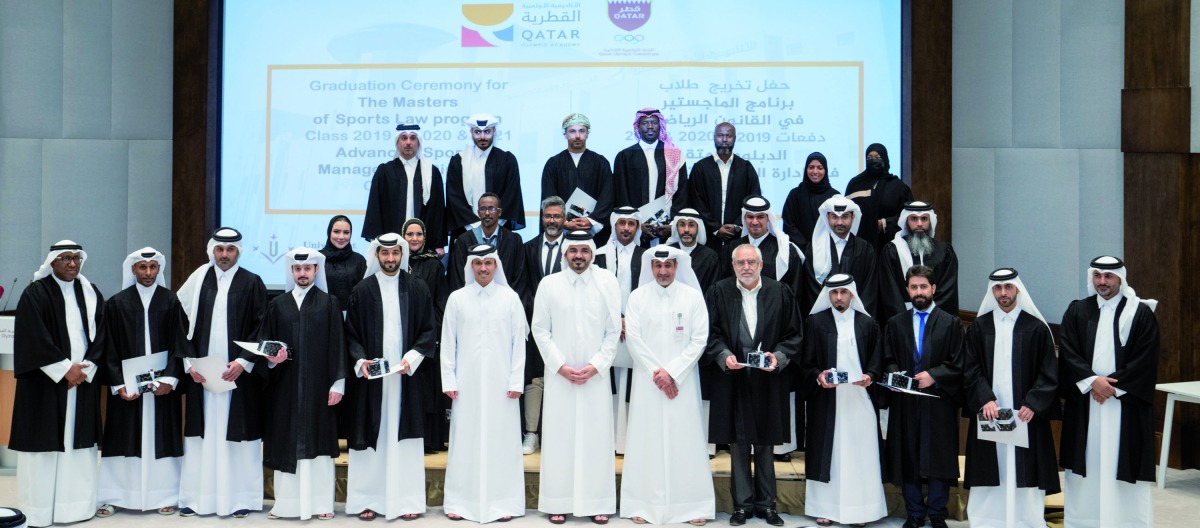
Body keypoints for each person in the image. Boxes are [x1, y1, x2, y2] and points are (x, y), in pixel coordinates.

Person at [703, 244, 802, 527]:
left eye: (751, 262)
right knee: (738, 443)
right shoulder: (719, 291)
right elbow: (711, 332)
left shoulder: (780, 292)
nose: (746, 267)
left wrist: (778, 357)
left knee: (765, 444)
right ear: (733, 265)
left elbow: (794, 334)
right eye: (740, 263)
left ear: (761, 265)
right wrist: (724, 355)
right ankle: (742, 506)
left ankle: (767, 505)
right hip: (733, 378)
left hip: (768, 379)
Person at [343, 234, 439, 521]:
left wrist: (412, 358)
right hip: (371, 381)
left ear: (402, 254)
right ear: (377, 255)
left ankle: (407, 500)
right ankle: (368, 500)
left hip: (406, 379)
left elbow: (428, 329)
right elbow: (351, 334)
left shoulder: (417, 287)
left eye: (395, 253)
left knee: (404, 439)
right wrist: (360, 360)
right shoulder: (362, 290)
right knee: (372, 436)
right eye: (385, 253)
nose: (390, 258)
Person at [1059, 256, 1159, 527]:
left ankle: (1126, 522)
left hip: (1124, 404)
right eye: (1097, 276)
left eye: (1108, 276)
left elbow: (1145, 358)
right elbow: (1068, 350)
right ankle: (1085, 522)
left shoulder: (1140, 313)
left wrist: (1110, 387)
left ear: (1120, 278)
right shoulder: (1078, 310)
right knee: (1087, 464)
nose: (1102, 281)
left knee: (1122, 463)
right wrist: (1092, 381)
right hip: (1086, 402)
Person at [10, 241, 105, 527]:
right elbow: (33, 337)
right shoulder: (35, 293)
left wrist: (85, 370)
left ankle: (75, 509)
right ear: (52, 262)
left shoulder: (90, 292)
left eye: (76, 258)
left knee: (78, 446)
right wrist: (64, 370)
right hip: (45, 384)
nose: (72, 263)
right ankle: (38, 511)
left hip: (83, 382)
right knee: (43, 447)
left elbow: (103, 335)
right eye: (65, 258)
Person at [175, 227, 268, 518]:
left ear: (238, 251)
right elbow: (181, 324)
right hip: (202, 376)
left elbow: (261, 326)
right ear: (212, 250)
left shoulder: (252, 282)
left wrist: (243, 362)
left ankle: (240, 499)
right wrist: (190, 365)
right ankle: (196, 498)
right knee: (202, 436)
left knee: (238, 437)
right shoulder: (197, 281)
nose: (224, 255)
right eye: (220, 249)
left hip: (238, 377)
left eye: (230, 250)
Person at [531, 231, 622, 524]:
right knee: (559, 438)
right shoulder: (549, 284)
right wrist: (560, 366)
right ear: (565, 254)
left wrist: (597, 365)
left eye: (584, 250)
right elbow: (540, 330)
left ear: (592, 253)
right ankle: (557, 501)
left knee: (596, 439)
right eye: (573, 251)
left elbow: (613, 330)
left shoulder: (607, 282)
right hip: (560, 377)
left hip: (595, 377)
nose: (579, 256)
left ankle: (598, 502)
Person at [621, 246, 715, 525]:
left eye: (668, 265)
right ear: (651, 267)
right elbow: (634, 340)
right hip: (648, 382)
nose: (663, 271)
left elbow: (700, 339)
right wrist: (658, 374)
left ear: (677, 266)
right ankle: (643, 504)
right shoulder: (637, 298)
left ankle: (692, 507)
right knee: (646, 441)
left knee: (685, 441)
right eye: (658, 266)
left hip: (682, 382)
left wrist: (672, 373)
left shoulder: (692, 297)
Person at [962, 268, 1060, 528]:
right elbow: (970, 368)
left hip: (1025, 416)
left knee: (1024, 469)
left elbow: (1048, 372)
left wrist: (1033, 403)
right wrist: (985, 398)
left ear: (1017, 289)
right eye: (997, 288)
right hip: (990, 413)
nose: (1003, 293)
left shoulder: (1036, 328)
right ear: (992, 291)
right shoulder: (979, 327)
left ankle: (1025, 521)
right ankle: (987, 522)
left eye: (1007, 287)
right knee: (989, 467)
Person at [257, 247, 346, 520]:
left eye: (307, 268)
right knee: (286, 442)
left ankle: (321, 504)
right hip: (285, 388)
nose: (302, 273)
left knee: (319, 444)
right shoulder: (278, 305)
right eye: (297, 269)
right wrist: (272, 359)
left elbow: (338, 345)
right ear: (292, 271)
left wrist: (338, 384)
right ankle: (286, 504)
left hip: (320, 388)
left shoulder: (329, 303)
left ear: (316, 270)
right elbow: (265, 344)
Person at [97, 248, 186, 517]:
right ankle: (115, 496)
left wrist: (169, 379)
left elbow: (180, 343)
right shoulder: (117, 303)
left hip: (162, 389)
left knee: (163, 438)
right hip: (128, 389)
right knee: (124, 438)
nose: (148, 272)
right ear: (133, 269)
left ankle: (166, 496)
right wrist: (118, 384)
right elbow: (108, 347)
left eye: (153, 267)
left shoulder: (171, 301)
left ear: (159, 269)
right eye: (142, 267)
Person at [441, 245, 528, 523]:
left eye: (488, 263)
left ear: (496, 265)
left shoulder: (510, 298)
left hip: (503, 386)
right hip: (465, 385)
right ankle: (459, 502)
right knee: (464, 442)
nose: (483, 268)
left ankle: (504, 503)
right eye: (478, 263)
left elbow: (519, 345)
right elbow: (448, 343)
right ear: (470, 266)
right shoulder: (457, 299)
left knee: (502, 443)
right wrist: (448, 379)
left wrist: (516, 380)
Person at [881, 265, 964, 528]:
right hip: (906, 402)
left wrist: (935, 376)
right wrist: (895, 376)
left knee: (939, 456)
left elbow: (959, 362)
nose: (919, 291)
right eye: (914, 287)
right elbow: (888, 358)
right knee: (908, 456)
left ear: (933, 289)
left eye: (923, 286)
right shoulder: (896, 323)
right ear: (907, 290)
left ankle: (937, 513)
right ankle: (915, 513)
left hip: (939, 402)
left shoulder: (950, 323)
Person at [801, 274, 886, 527]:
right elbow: (805, 363)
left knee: (860, 454)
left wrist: (870, 376)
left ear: (852, 294)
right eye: (834, 293)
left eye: (843, 292)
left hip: (859, 399)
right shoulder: (815, 322)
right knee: (829, 453)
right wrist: (818, 376)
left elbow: (877, 361)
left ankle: (860, 510)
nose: (838, 297)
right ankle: (825, 508)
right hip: (826, 399)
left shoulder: (867, 323)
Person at [729, 196, 805, 460]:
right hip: (742, 332)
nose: (754, 222)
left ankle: (780, 448)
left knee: (775, 394)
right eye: (750, 217)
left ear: (768, 219)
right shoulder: (734, 247)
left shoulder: (785, 249)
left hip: (777, 332)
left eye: (760, 217)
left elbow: (795, 292)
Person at [519, 196, 570, 455]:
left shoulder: (575, 249)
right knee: (534, 377)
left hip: (565, 326)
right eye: (548, 216)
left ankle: (559, 434)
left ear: (564, 219)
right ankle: (531, 433)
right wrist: (535, 314)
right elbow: (523, 285)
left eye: (557, 216)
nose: (552, 220)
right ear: (542, 218)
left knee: (562, 376)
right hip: (534, 325)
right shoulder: (527, 247)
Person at [593, 206, 645, 454]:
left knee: (632, 383)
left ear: (637, 227)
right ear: (614, 226)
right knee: (607, 382)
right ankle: (608, 440)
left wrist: (628, 320)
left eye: (631, 224)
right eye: (621, 223)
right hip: (604, 328)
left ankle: (629, 441)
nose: (626, 228)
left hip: (636, 328)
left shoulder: (646, 256)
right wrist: (615, 319)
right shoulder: (599, 255)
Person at [403, 218, 451, 453]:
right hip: (401, 335)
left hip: (427, 336)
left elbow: (440, 303)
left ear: (425, 237)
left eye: (418, 234)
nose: (414, 239)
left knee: (427, 389)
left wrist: (435, 332)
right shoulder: (395, 262)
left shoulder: (434, 265)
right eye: (409, 234)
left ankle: (428, 440)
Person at [362, 123, 448, 248]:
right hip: (391, 241)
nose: (408, 142)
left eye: (413, 138)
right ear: (397, 142)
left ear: (418, 142)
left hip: (424, 242)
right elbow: (375, 206)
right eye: (404, 138)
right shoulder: (385, 171)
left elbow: (438, 210)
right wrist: (376, 239)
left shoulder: (431, 172)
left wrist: (438, 244)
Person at [612, 108, 689, 244]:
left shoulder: (674, 155)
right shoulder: (625, 156)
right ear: (637, 127)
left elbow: (682, 192)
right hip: (634, 228)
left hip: (667, 227)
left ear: (660, 126)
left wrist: (673, 224)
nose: (650, 126)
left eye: (654, 122)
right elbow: (621, 194)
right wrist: (634, 223)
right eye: (644, 123)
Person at [877, 201, 959, 324]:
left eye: (924, 219)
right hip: (902, 321)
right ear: (906, 221)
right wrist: (904, 321)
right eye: (914, 219)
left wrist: (930, 316)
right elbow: (890, 293)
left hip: (936, 320)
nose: (919, 224)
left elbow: (948, 291)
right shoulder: (892, 251)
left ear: (930, 221)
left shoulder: (944, 251)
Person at [687, 122, 762, 255]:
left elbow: (754, 199)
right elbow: (696, 201)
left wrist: (737, 225)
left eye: (729, 136)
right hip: (707, 237)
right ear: (714, 137)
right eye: (720, 135)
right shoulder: (701, 168)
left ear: (735, 138)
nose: (725, 139)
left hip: (738, 237)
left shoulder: (745, 167)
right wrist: (715, 228)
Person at [445, 114, 525, 235]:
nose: (482, 137)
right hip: (466, 230)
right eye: (477, 132)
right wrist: (475, 227)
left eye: (487, 132)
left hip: (500, 228)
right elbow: (454, 198)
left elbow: (511, 196)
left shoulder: (507, 160)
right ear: (471, 133)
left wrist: (493, 225)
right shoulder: (458, 161)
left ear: (494, 132)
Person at [541, 113, 614, 243]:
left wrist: (591, 220)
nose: (577, 136)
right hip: (562, 229)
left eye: (582, 131)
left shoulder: (600, 163)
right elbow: (549, 196)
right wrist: (563, 221)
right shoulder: (554, 164)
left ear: (587, 134)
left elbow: (607, 196)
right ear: (565, 134)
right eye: (572, 131)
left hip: (594, 229)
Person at [802, 196, 877, 314]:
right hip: (824, 317)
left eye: (845, 217)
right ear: (827, 217)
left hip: (857, 317)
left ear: (853, 217)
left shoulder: (865, 249)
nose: (840, 222)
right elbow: (811, 286)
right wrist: (830, 313)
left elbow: (869, 289)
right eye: (834, 217)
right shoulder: (815, 249)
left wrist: (857, 316)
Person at [447, 192, 526, 293]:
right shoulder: (464, 240)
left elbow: (520, 278)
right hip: (472, 299)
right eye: (483, 209)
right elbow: (457, 278)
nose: (487, 213)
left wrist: (509, 299)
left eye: (492, 208)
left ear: (499, 212)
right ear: (478, 213)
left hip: (505, 300)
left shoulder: (513, 240)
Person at [843, 143, 913, 252]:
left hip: (889, 245)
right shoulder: (855, 184)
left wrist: (884, 223)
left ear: (885, 159)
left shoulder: (898, 187)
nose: (873, 160)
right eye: (869, 158)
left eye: (877, 157)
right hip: (860, 245)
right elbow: (846, 212)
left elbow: (908, 214)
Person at [781, 151, 839, 248]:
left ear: (825, 170)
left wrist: (823, 248)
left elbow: (839, 225)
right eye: (811, 167)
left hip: (828, 251)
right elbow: (789, 225)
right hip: (800, 252)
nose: (815, 171)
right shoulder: (795, 195)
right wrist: (807, 248)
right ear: (806, 169)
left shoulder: (834, 196)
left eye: (820, 168)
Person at [319, 214, 368, 309]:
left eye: (346, 232)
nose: (341, 237)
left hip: (353, 316)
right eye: (336, 232)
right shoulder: (318, 258)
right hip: (323, 315)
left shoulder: (359, 260)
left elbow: (364, 293)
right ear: (329, 232)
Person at [667, 208, 721, 292]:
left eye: (691, 225)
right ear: (676, 228)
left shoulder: (709, 256)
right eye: (682, 225)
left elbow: (713, 289)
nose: (686, 230)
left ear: (699, 228)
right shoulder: (668, 253)